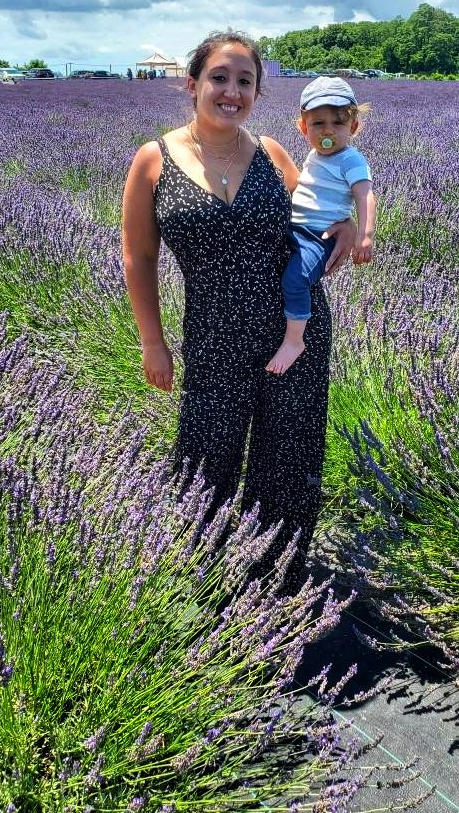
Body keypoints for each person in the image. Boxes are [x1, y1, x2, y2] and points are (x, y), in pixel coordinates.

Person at [121, 31, 356, 588]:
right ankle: (200, 578)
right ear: (193, 84)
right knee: (206, 455)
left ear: (256, 91)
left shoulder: (273, 154)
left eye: (244, 81)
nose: (232, 91)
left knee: (289, 456)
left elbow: (316, 211)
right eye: (219, 78)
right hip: (213, 333)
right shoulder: (154, 160)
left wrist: (345, 221)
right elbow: (139, 258)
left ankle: (276, 578)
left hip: (292, 331)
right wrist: (152, 343)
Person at [266, 77, 376, 375]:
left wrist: (363, 236)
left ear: (353, 128)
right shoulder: (315, 154)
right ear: (304, 128)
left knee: (296, 279)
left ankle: (294, 340)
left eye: (338, 124)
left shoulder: (351, 160)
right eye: (318, 124)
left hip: (319, 236)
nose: (328, 131)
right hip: (295, 227)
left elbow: (365, 196)